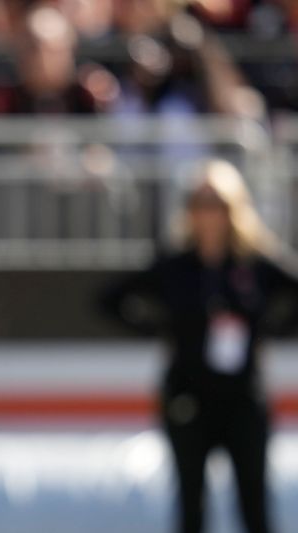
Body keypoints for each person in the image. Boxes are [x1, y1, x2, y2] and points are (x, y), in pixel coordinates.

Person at [102, 159, 298, 533]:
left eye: (218, 204)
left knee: (254, 504)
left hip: (243, 396)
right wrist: (159, 330)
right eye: (201, 203)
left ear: (234, 208)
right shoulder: (176, 265)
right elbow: (111, 298)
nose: (209, 214)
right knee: (192, 506)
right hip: (188, 397)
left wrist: (270, 332)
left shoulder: (254, 263)